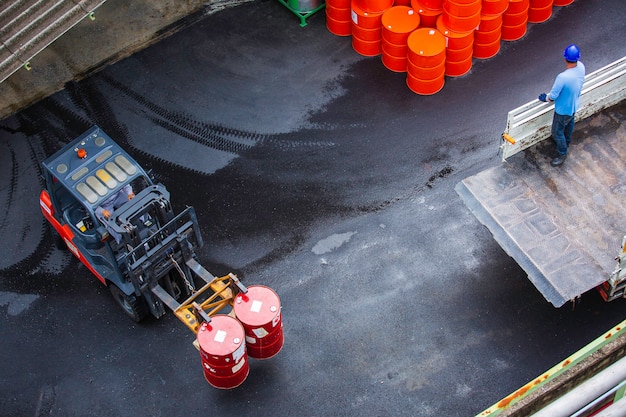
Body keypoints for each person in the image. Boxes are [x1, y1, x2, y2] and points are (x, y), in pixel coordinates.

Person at [538, 44, 586, 167]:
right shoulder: (581, 67)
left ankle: (562, 153)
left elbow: (553, 96)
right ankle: (567, 141)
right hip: (574, 104)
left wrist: (545, 98)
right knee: (569, 123)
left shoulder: (563, 77)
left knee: (556, 132)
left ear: (565, 58)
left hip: (563, 109)